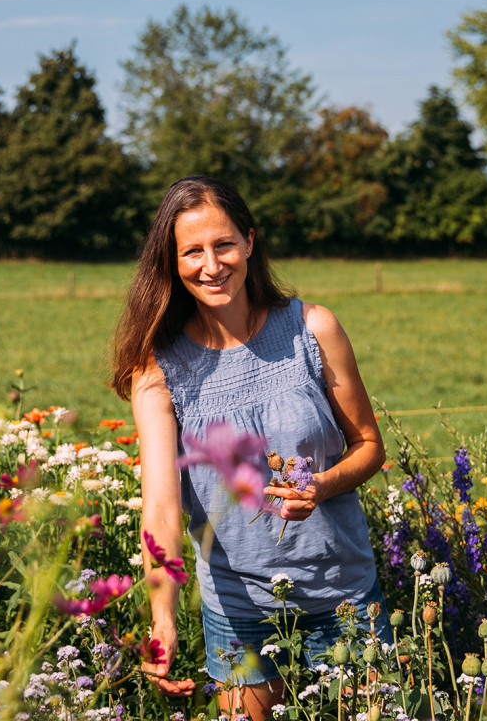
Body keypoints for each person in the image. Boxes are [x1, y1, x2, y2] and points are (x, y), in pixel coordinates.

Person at [110, 176, 388, 720]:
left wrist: (321, 485)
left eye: (223, 245)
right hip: (238, 608)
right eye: (192, 251)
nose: (211, 265)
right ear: (171, 261)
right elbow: (163, 509)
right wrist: (162, 617)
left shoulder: (312, 328)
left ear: (250, 243)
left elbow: (369, 446)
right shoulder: (157, 370)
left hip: (343, 593)